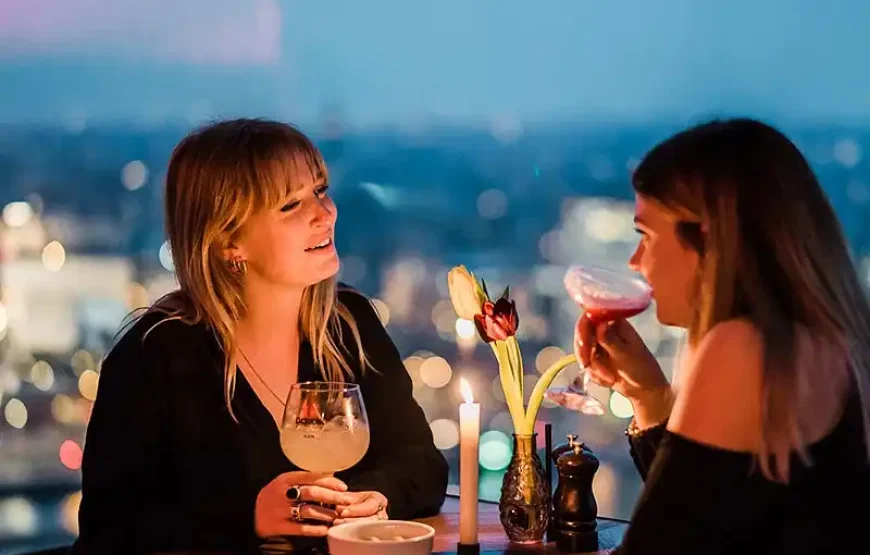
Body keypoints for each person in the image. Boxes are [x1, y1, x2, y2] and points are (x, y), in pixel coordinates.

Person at [72, 119, 449, 554]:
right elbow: (108, 530)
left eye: (320, 191)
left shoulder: (350, 325)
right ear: (229, 241)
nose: (325, 213)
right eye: (291, 205)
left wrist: (373, 497)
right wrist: (248, 519)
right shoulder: (155, 356)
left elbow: (421, 462)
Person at [575, 118, 870, 554]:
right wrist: (649, 396)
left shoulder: (745, 348)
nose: (636, 261)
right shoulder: (820, 344)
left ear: (709, 237)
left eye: (646, 235)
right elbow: (704, 520)